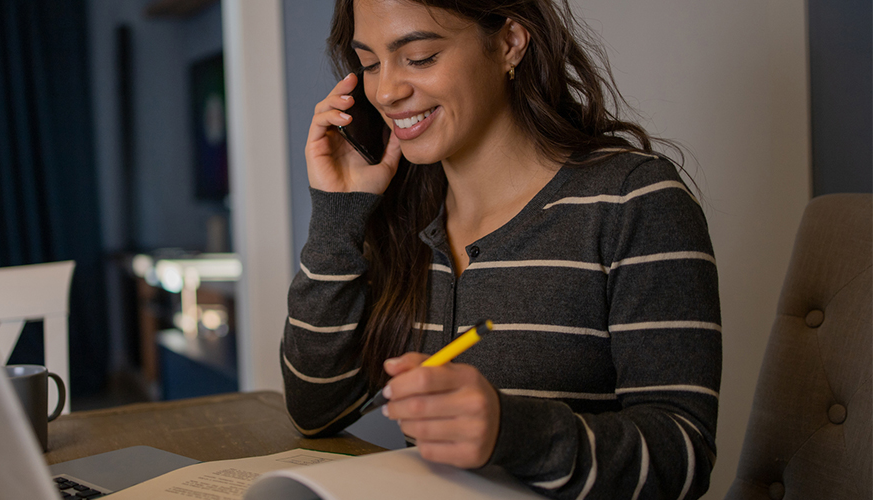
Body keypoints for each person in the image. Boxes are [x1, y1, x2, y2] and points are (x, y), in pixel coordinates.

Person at [280, 0, 721, 499]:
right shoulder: (404, 218)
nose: (386, 91)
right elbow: (315, 410)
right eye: (370, 64)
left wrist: (512, 432)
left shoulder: (632, 201)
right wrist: (337, 216)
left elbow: (685, 456)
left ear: (509, 42)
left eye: (420, 57)